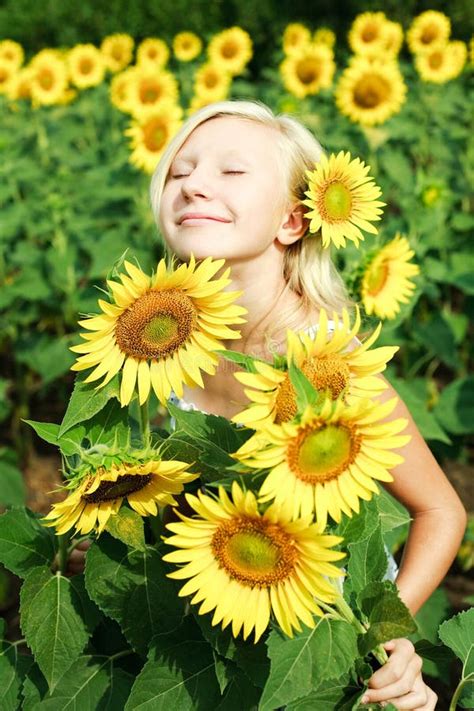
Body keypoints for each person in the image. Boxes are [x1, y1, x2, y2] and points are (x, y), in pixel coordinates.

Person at [71, 99, 465, 709]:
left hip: (326, 628)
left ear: (291, 221)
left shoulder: (325, 364)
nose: (194, 184)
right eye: (179, 171)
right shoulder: (161, 342)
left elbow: (442, 511)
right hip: (227, 602)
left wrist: (380, 637)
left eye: (231, 173)